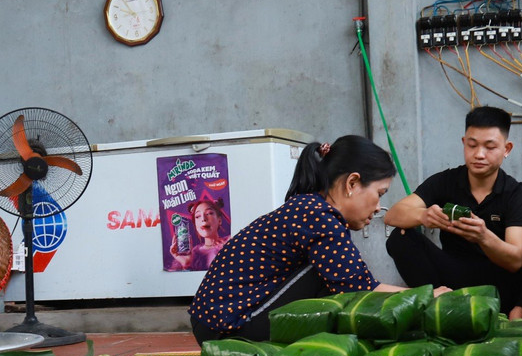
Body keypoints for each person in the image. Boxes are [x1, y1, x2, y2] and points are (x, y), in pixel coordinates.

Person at [188, 135, 448, 344]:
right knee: (331, 280)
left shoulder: (311, 209)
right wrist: (426, 296)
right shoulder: (318, 215)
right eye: (379, 193)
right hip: (226, 324)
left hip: (223, 319)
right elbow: (359, 288)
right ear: (352, 183)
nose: (379, 206)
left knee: (335, 278)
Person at [383, 106, 522, 320]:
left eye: (490, 147)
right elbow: (392, 215)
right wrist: (424, 216)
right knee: (400, 237)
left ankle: (518, 313)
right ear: (464, 143)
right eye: (472, 145)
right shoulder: (445, 181)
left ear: (507, 149)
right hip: (452, 281)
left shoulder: (515, 193)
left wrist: (484, 237)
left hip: (502, 284)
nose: (479, 154)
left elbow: (515, 260)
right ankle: (441, 308)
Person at [170, 195, 229, 271]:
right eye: (198, 216)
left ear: (219, 220)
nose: (203, 219)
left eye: (209, 213)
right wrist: (186, 264)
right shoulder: (194, 253)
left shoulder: (230, 242)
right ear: (195, 225)